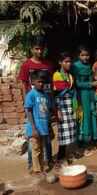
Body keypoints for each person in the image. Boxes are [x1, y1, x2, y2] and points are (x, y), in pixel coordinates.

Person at [18, 35, 53, 170]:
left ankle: (48, 161)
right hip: (33, 104)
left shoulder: (48, 65)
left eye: (41, 49)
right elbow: (23, 85)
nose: (39, 52)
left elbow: (50, 85)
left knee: (47, 134)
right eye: (36, 49)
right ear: (32, 49)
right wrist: (27, 103)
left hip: (46, 103)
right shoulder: (26, 65)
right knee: (34, 136)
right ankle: (32, 165)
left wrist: (52, 105)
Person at [71, 46, 97, 154]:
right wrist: (91, 84)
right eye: (82, 55)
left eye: (87, 55)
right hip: (81, 94)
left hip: (90, 93)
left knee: (91, 114)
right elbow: (77, 83)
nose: (85, 57)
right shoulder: (75, 66)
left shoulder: (89, 65)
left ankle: (90, 140)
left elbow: (92, 79)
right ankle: (81, 141)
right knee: (83, 116)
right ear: (78, 56)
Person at [24, 70, 52, 175]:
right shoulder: (31, 95)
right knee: (36, 150)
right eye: (39, 82)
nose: (41, 84)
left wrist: (49, 126)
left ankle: (41, 167)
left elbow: (47, 112)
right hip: (34, 128)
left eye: (43, 82)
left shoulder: (45, 95)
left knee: (42, 149)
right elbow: (28, 111)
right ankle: (36, 170)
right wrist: (34, 128)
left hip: (43, 128)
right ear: (33, 82)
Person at [53, 52, 77, 168]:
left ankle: (64, 155)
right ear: (60, 62)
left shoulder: (70, 76)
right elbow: (57, 94)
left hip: (69, 105)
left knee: (70, 131)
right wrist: (57, 110)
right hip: (61, 105)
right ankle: (60, 157)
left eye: (70, 61)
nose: (69, 64)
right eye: (66, 62)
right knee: (63, 132)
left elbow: (71, 91)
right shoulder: (57, 75)